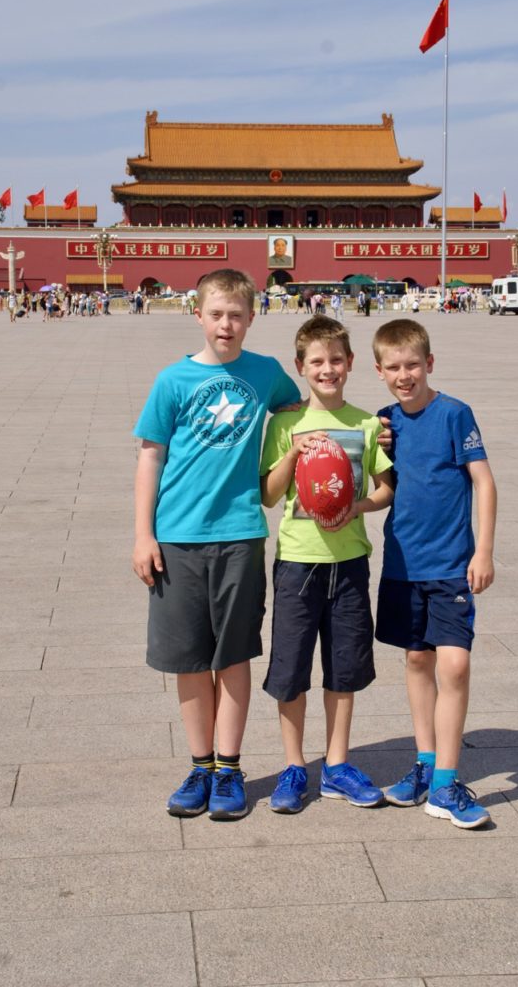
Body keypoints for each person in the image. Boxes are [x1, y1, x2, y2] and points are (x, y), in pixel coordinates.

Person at [132, 268, 301, 821]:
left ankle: (230, 767)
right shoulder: (172, 381)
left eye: (236, 315)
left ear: (252, 318)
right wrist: (142, 534)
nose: (226, 324)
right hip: (178, 538)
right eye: (216, 314)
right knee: (187, 658)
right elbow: (150, 456)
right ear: (197, 315)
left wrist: (365, 433)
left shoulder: (267, 374)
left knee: (232, 655)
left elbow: (299, 413)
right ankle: (199, 764)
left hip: (240, 535)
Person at [260, 316, 394, 814]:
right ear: (301, 367)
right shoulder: (286, 424)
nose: (327, 369)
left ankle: (336, 765)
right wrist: (292, 454)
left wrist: (356, 508)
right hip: (298, 561)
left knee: (345, 666)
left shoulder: (365, 423)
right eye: (316, 361)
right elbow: (268, 495)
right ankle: (295, 766)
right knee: (291, 667)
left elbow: (384, 489)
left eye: (336, 360)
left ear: (351, 364)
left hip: (351, 561)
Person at [372, 319, 497, 829]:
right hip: (403, 564)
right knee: (418, 661)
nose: (405, 376)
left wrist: (483, 550)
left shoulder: (454, 414)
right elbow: (382, 488)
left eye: (412, 365)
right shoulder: (383, 423)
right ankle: (424, 764)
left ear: (430, 363)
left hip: (450, 566)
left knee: (456, 666)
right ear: (380, 371)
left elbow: (484, 484)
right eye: (394, 368)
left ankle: (446, 783)